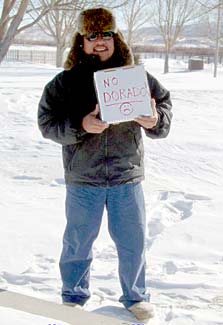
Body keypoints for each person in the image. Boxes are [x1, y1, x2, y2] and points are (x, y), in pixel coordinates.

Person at [38, 7, 172, 321]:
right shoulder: (64, 83)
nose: (100, 41)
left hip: (127, 177)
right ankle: (73, 297)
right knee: (78, 241)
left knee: (133, 241)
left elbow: (162, 104)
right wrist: (80, 125)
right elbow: (47, 122)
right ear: (81, 41)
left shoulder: (135, 76)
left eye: (106, 35)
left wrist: (155, 119)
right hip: (84, 179)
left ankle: (136, 298)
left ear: (116, 39)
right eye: (93, 36)